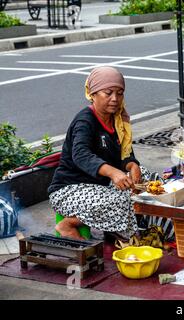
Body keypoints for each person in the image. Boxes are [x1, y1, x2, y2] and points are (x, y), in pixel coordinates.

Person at [48, 66, 152, 240]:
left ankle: (116, 231)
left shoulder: (118, 120)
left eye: (119, 93)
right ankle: (68, 224)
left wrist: (132, 165)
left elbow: (124, 155)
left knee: (149, 182)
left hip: (101, 186)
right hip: (70, 189)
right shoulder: (85, 121)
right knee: (123, 201)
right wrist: (113, 172)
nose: (115, 99)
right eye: (108, 93)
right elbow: (80, 154)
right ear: (93, 94)